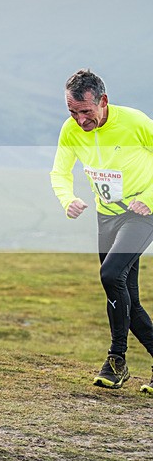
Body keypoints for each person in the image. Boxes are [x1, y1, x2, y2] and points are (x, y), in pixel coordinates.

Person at [50, 69, 153, 393]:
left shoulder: (135, 122)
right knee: (127, 299)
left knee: (110, 276)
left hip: (141, 214)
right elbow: (60, 171)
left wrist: (149, 198)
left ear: (103, 102)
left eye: (86, 111)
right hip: (106, 217)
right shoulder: (71, 130)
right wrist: (67, 199)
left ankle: (115, 359)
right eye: (73, 112)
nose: (80, 120)